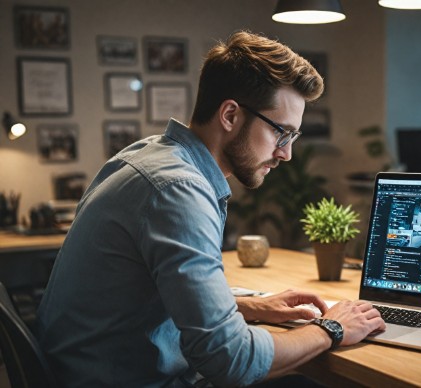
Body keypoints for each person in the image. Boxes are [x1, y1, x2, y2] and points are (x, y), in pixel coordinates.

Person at [36, 30, 385, 387]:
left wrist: (249, 306)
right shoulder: (178, 190)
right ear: (230, 115)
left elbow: (147, 291)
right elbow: (228, 360)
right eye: (281, 132)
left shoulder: (147, 155)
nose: (286, 153)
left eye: (292, 138)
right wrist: (332, 327)